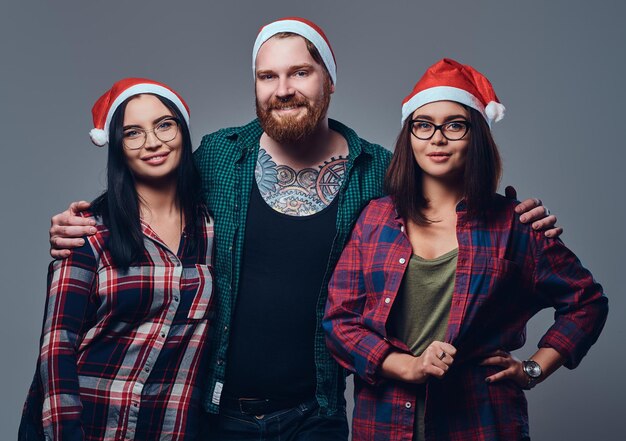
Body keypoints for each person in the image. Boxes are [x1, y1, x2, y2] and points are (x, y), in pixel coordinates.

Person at [47, 20, 560, 440]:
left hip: (318, 413)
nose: (284, 89)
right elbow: (154, 191)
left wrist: (518, 216)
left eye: (300, 73)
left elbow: (453, 202)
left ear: (329, 81)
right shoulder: (221, 156)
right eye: (268, 76)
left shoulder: (377, 171)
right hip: (214, 408)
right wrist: (87, 218)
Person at [322, 58, 608, 441]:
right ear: (409, 136)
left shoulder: (515, 225)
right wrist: (405, 366)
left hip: (483, 422)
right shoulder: (375, 219)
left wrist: (534, 369)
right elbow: (340, 321)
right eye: (423, 125)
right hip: (384, 423)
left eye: (455, 125)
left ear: (477, 137)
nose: (437, 138)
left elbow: (586, 301)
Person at [20, 78, 214, 440]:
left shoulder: (213, 232)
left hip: (168, 428)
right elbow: (57, 348)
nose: (153, 142)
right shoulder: (89, 233)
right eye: (133, 133)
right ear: (118, 147)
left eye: (164, 125)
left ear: (183, 131)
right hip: (87, 424)